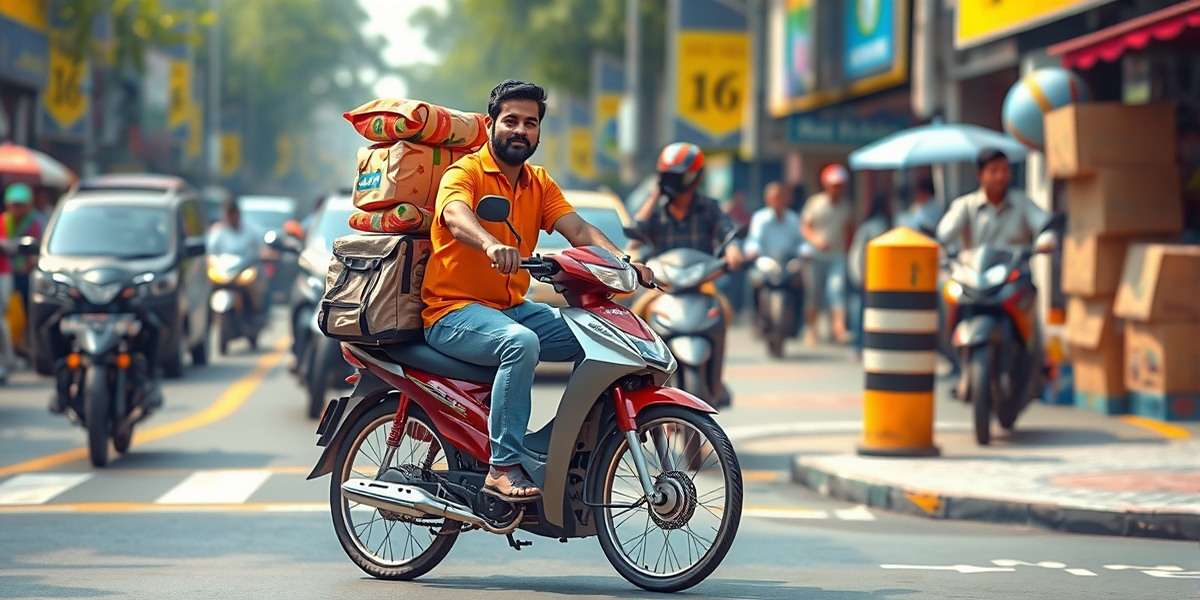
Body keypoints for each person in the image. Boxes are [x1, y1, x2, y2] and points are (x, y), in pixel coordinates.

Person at [422, 80, 651, 501]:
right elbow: (455, 214)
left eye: (530, 123)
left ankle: (562, 446)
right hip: (452, 312)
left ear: (539, 132)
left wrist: (624, 261)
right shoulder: (466, 172)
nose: (520, 130)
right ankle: (503, 466)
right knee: (521, 343)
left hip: (509, 307)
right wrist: (489, 244)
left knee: (602, 336)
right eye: (511, 120)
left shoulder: (538, 182)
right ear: (491, 124)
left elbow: (577, 229)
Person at [937, 148, 1054, 253]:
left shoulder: (1022, 202)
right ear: (980, 175)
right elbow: (944, 233)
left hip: (1016, 268)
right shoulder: (965, 205)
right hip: (975, 269)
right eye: (994, 171)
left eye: (1005, 170)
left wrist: (1045, 240)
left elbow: (1044, 224)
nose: (1000, 176)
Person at [800, 163, 854, 345]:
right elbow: (805, 227)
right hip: (815, 256)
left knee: (836, 291)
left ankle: (839, 328)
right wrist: (816, 241)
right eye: (834, 185)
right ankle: (811, 329)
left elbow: (849, 230)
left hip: (837, 256)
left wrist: (848, 252)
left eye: (840, 185)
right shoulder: (815, 203)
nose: (837, 189)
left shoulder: (846, 207)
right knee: (814, 295)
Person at [744, 181, 805, 329]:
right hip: (766, 262)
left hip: (787, 262)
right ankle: (756, 318)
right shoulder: (760, 218)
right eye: (774, 198)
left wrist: (805, 252)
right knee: (754, 283)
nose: (777, 201)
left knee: (800, 284)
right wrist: (752, 251)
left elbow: (801, 241)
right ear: (768, 199)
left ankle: (798, 324)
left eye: (780, 197)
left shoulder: (793, 219)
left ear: (786, 199)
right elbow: (753, 240)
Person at [848, 192, 894, 356]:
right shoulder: (887, 226)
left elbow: (857, 253)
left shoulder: (868, 226)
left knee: (862, 312)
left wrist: (858, 275)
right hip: (883, 278)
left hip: (869, 276)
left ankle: (859, 345)